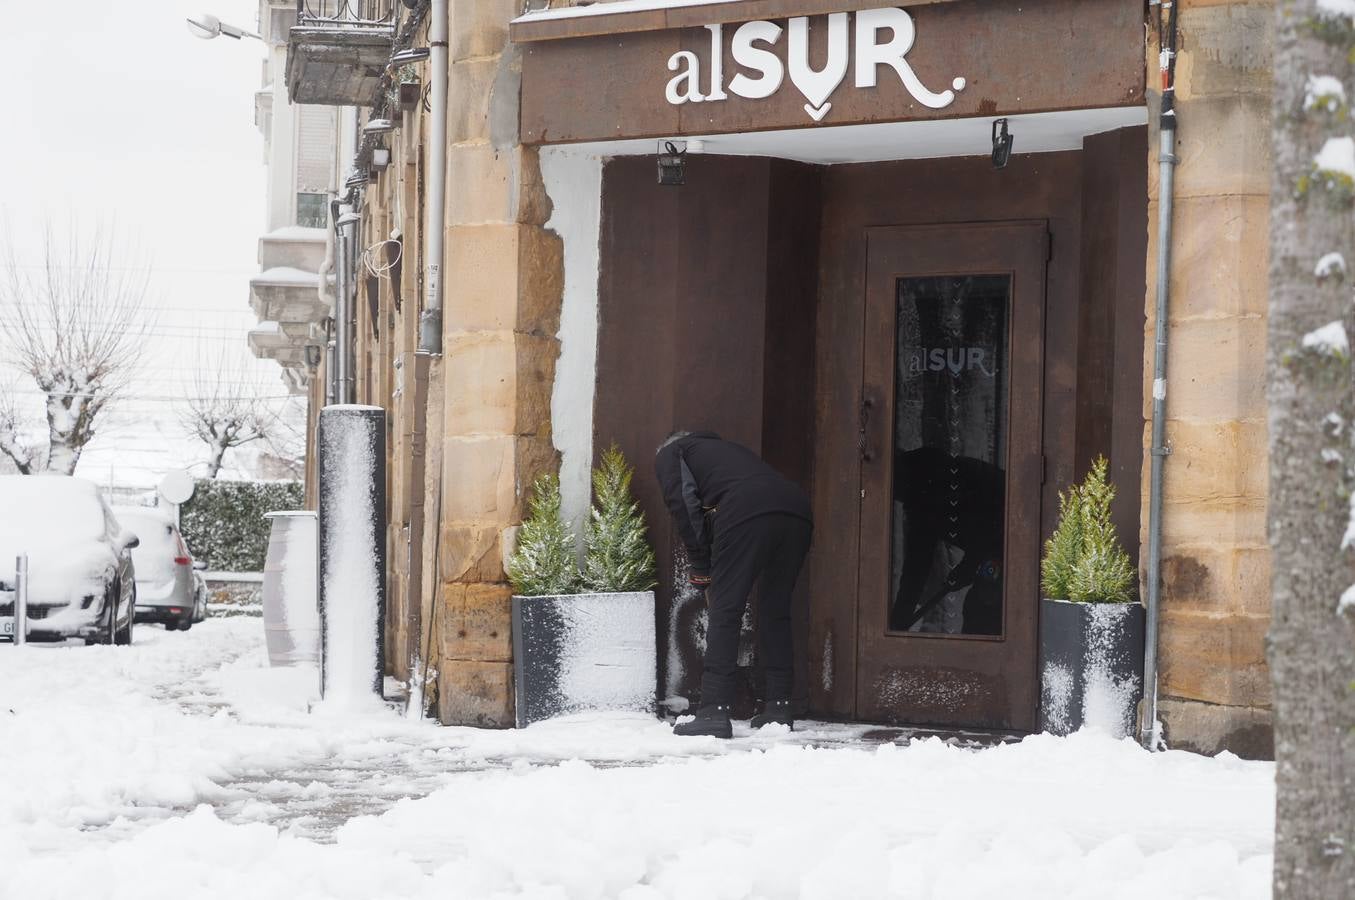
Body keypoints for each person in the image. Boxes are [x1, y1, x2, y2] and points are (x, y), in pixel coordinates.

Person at [655, 431, 813, 738]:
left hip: (747, 508)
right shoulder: (727, 451)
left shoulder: (671, 453)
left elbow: (684, 504)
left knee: (726, 610)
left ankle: (714, 711)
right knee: (775, 609)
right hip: (796, 508)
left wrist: (701, 565)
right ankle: (779, 706)